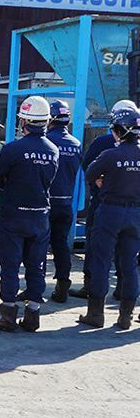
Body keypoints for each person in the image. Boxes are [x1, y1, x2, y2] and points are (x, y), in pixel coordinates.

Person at [0, 96, 59, 333]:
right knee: (36, 266)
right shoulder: (53, 150)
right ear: (46, 121)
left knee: (10, 266)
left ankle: (8, 315)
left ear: (24, 121)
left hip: (14, 215)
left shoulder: (13, 149)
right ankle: (33, 315)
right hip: (40, 216)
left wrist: (10, 182)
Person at [70, 99, 139, 299]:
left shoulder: (103, 145)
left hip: (105, 204)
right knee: (129, 256)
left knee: (98, 251)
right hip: (134, 209)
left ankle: (92, 293)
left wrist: (100, 180)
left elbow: (87, 167)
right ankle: (124, 297)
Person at [44, 100, 83, 302]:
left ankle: (34, 289)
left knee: (38, 246)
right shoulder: (76, 144)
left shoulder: (45, 142)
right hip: (66, 203)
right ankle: (62, 286)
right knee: (61, 245)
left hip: (45, 203)